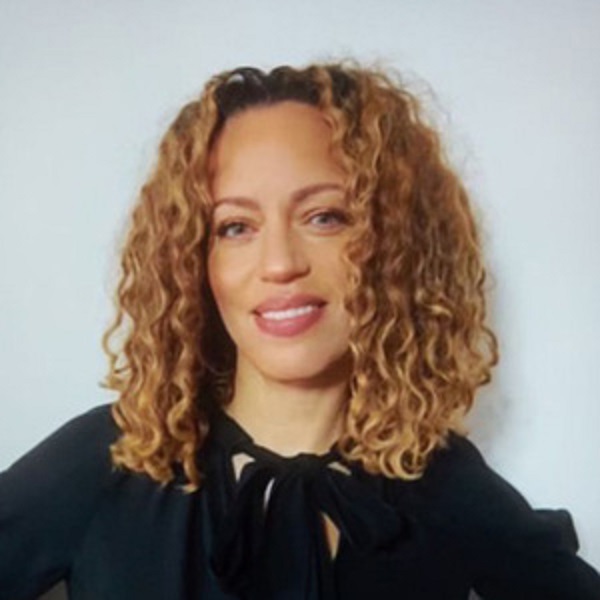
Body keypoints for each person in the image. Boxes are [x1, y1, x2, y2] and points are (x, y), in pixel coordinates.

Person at [1, 62, 599, 600]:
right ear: (193, 260)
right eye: (235, 227)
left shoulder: (445, 486)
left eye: (325, 217)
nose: (280, 263)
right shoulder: (105, 460)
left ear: (395, 247)